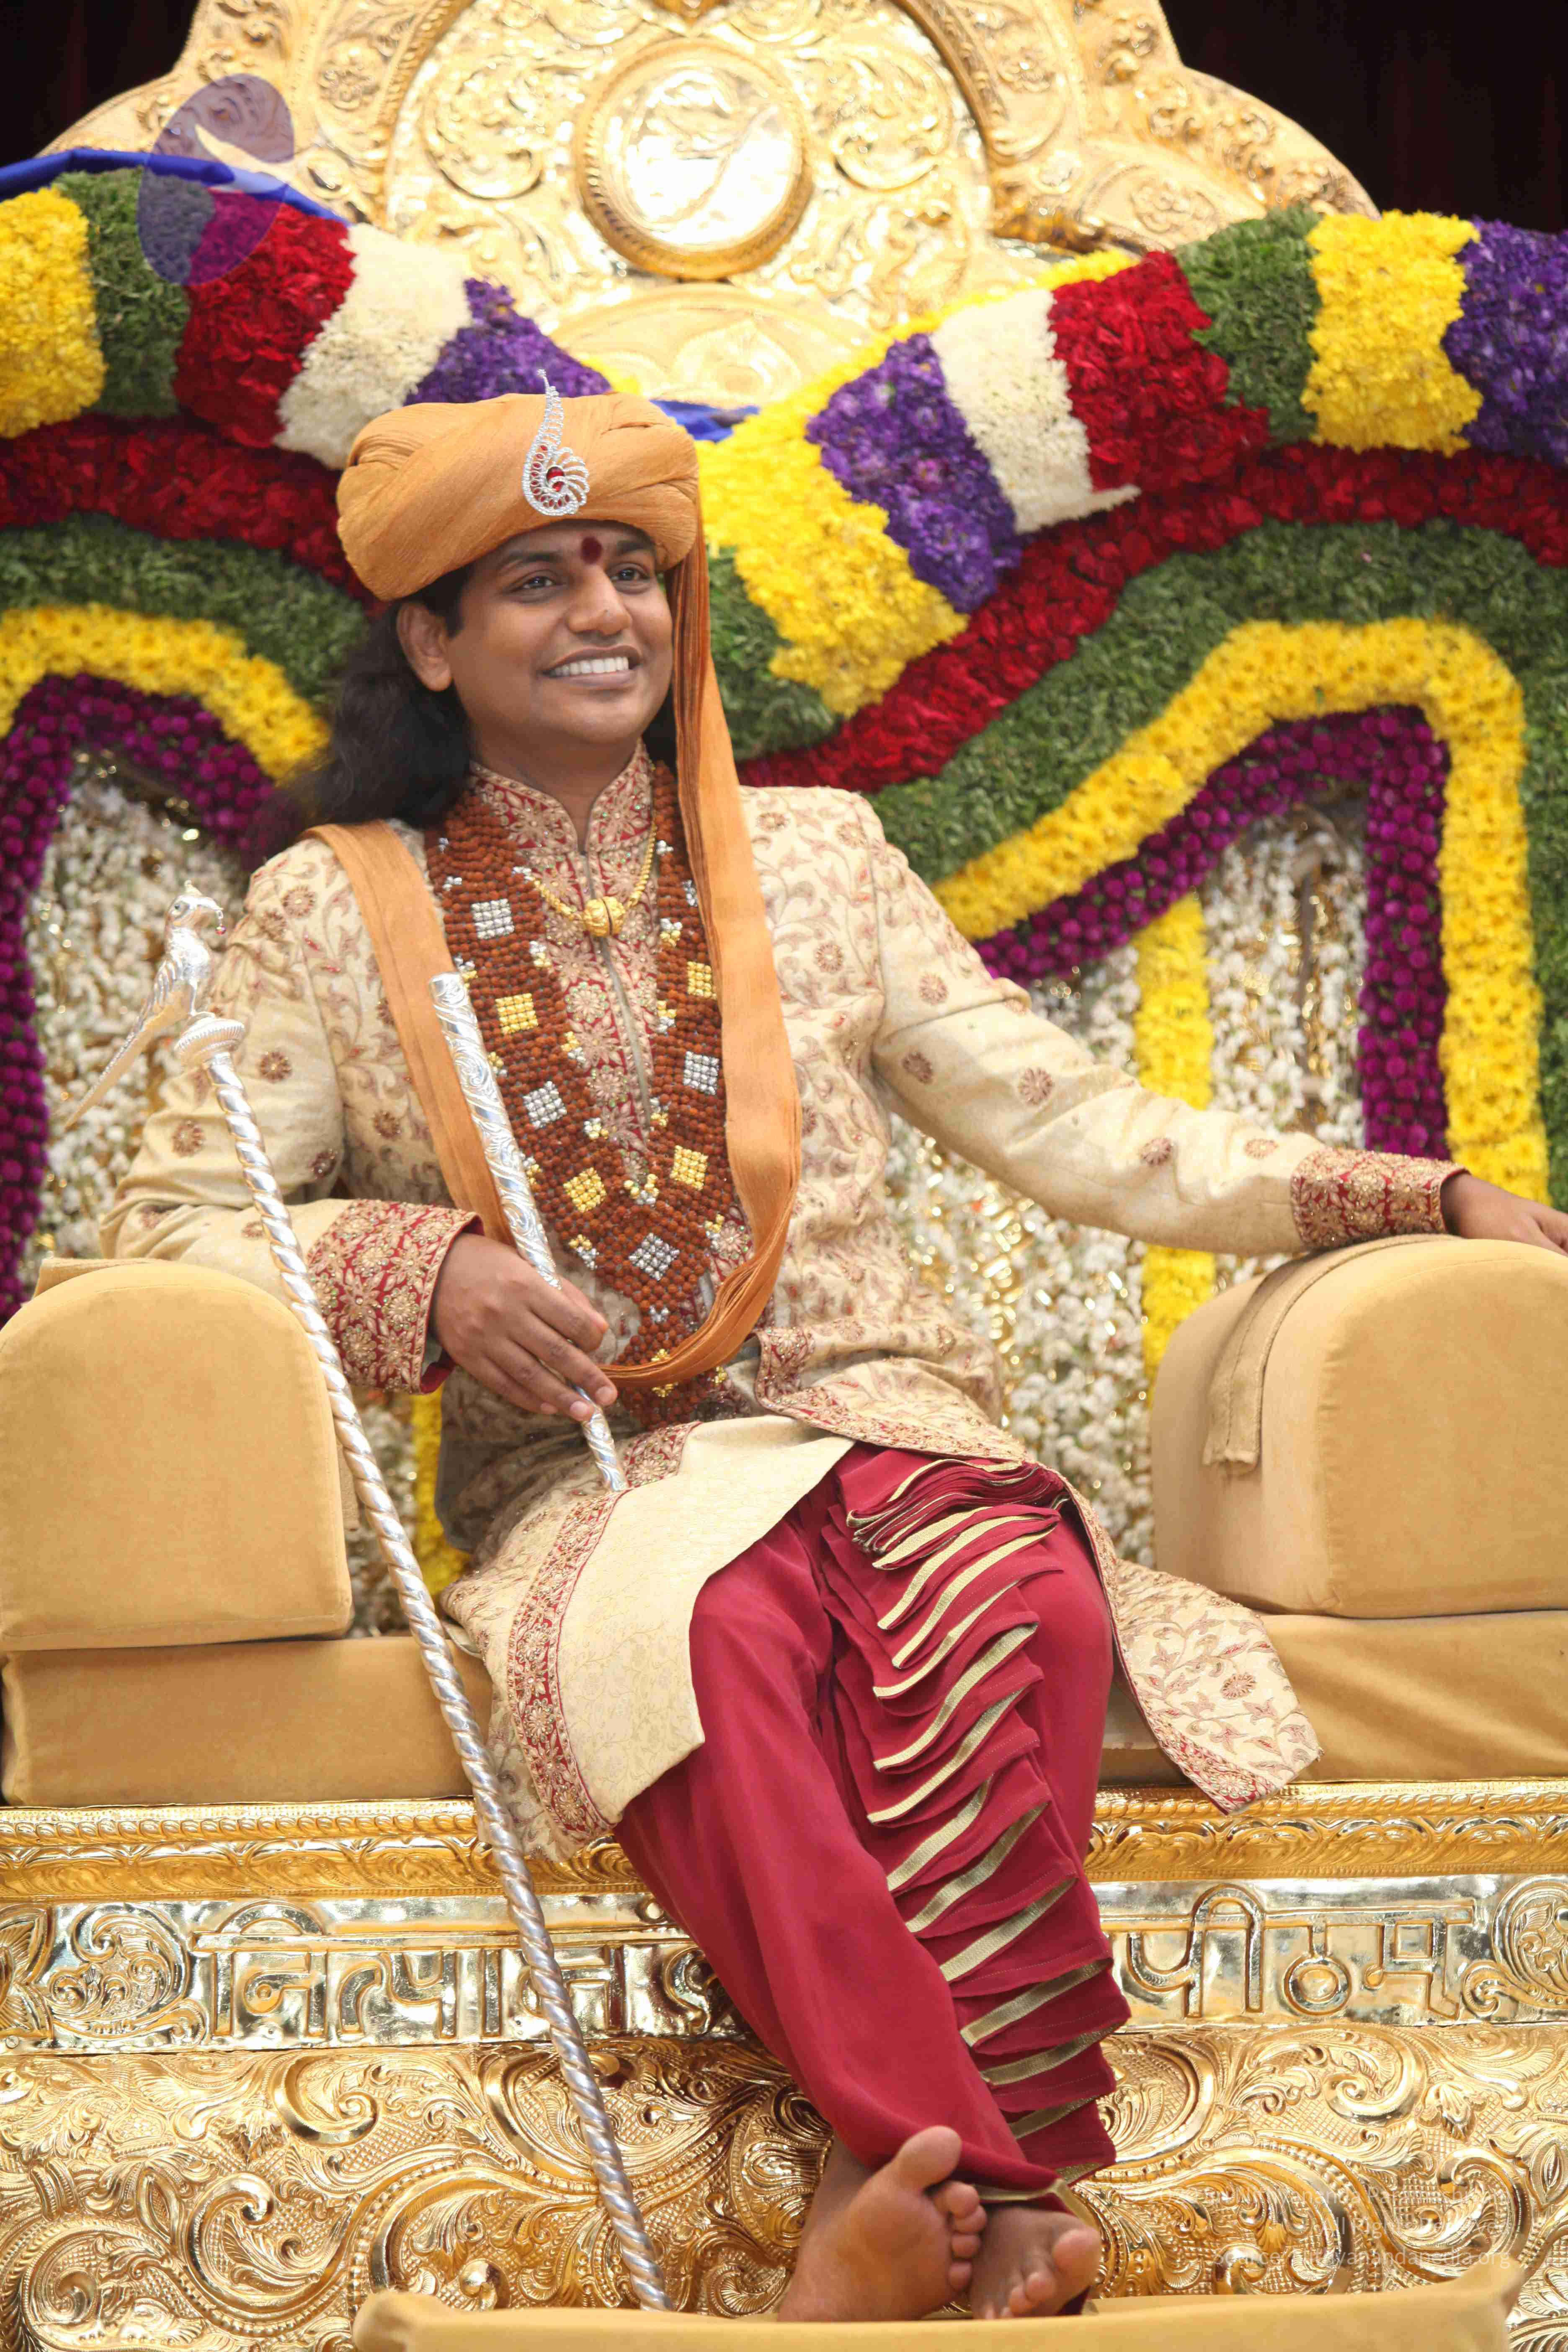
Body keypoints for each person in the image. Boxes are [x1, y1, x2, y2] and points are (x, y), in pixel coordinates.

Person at [105, 391, 1568, 2322]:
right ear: (433, 641)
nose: (605, 610)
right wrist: (424, 1270)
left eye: (633, 570)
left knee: (1030, 1600)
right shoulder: (330, 906)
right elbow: (174, 1225)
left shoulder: (818, 857)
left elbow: (1076, 1121)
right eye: (538, 581)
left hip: (886, 1423)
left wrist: (1411, 1194)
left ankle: (885, 2199)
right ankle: (980, 2172)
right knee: (700, 1643)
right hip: (601, 1475)